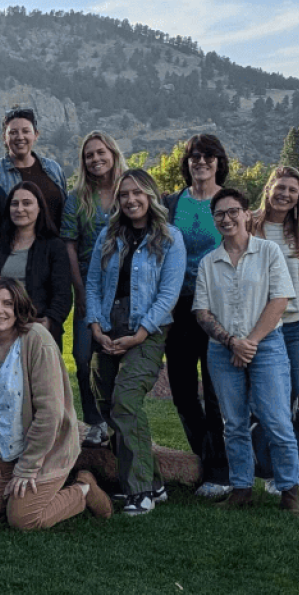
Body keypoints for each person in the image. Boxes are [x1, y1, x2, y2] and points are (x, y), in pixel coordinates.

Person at [0, 277, 112, 529]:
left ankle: (84, 488)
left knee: (24, 519)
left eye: (7, 304)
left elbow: (50, 413)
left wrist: (27, 468)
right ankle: (26, 492)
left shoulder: (36, 340)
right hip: (3, 449)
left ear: (19, 308)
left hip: (46, 449)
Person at [194, 189, 299, 514]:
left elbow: (280, 299)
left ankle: (290, 491)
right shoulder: (208, 263)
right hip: (222, 349)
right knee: (234, 423)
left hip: (266, 345)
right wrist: (232, 342)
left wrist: (250, 342)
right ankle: (241, 488)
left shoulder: (268, 251)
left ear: (246, 214)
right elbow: (202, 312)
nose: (226, 219)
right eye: (219, 214)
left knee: (276, 419)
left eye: (232, 212)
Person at [84, 169, 185, 515]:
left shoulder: (170, 238)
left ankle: (138, 491)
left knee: (126, 400)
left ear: (151, 196)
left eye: (137, 193)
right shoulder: (108, 236)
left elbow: (168, 293)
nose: (130, 200)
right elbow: (93, 284)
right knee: (107, 400)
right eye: (124, 194)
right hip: (108, 329)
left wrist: (140, 333)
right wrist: (95, 325)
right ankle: (154, 481)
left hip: (148, 332)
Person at [161, 134, 232, 498]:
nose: (200, 162)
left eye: (207, 156)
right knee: (184, 392)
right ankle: (207, 459)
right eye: (193, 156)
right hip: (179, 307)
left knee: (218, 392)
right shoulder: (172, 203)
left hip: (218, 305)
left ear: (218, 161)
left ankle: (219, 471)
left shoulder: (227, 202)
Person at [250, 165, 299, 501]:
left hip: (295, 326)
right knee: (270, 402)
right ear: (269, 189)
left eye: (293, 190)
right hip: (262, 326)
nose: (285, 194)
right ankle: (271, 472)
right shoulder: (250, 225)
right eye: (281, 187)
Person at [69, 131, 126, 443]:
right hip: (88, 288)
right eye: (89, 155)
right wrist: (79, 291)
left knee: (117, 358)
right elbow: (69, 245)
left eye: (100, 152)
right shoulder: (77, 198)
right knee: (81, 356)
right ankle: (94, 422)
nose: (95, 159)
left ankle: (120, 423)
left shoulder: (130, 191)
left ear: (113, 153)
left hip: (125, 289)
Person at [0, 179, 74, 342]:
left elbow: (62, 294)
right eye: (14, 204)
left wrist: (49, 321)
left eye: (27, 203)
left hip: (37, 331)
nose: (20, 209)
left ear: (39, 207)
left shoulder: (54, 247)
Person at [0, 108, 74, 236]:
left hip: (55, 249)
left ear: (36, 134)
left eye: (26, 131)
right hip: (13, 251)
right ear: (4, 137)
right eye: (13, 132)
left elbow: (67, 215)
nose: (20, 137)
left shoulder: (53, 168)